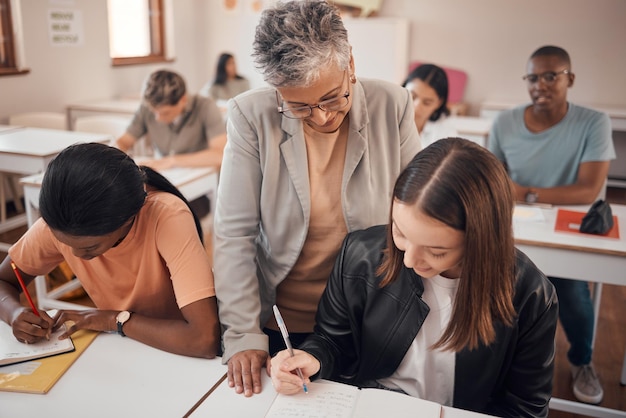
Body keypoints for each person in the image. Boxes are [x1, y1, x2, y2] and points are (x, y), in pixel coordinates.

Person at [213, 0, 420, 397]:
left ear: (351, 66)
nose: (322, 116)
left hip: (369, 312)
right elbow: (234, 234)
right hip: (283, 319)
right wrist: (242, 334)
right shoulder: (250, 115)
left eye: (332, 97)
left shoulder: (392, 105)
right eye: (300, 106)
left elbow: (417, 212)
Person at [270, 137, 558, 417]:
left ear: (481, 242)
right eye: (400, 232)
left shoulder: (531, 295)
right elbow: (332, 341)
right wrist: (312, 358)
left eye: (436, 251)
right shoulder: (360, 254)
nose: (409, 259)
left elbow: (525, 409)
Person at [0, 143, 220, 358]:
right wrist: (14, 313)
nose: (75, 255)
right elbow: (4, 281)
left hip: (178, 353)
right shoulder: (62, 222)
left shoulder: (166, 216)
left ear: (129, 219)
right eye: (63, 243)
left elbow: (203, 339)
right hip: (125, 347)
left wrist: (114, 320)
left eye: (90, 247)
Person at [488, 45, 615, 405]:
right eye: (532, 77)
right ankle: (501, 363)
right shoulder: (505, 122)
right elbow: (494, 180)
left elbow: (588, 189)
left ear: (569, 79)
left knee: (571, 292)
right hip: (517, 228)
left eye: (550, 76)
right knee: (501, 288)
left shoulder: (593, 122)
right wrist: (514, 194)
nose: (540, 84)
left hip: (565, 226)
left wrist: (525, 192)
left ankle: (582, 361)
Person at [115, 69, 227, 172]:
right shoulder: (146, 107)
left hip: (201, 178)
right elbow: (123, 142)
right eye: (154, 112)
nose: (157, 118)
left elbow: (220, 154)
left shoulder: (206, 107)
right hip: (166, 174)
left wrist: (173, 161)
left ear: (183, 100)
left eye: (165, 113)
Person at [402, 64, 457, 149]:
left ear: (439, 103)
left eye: (427, 102)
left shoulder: (445, 131)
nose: (416, 106)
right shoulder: (386, 118)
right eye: (412, 96)